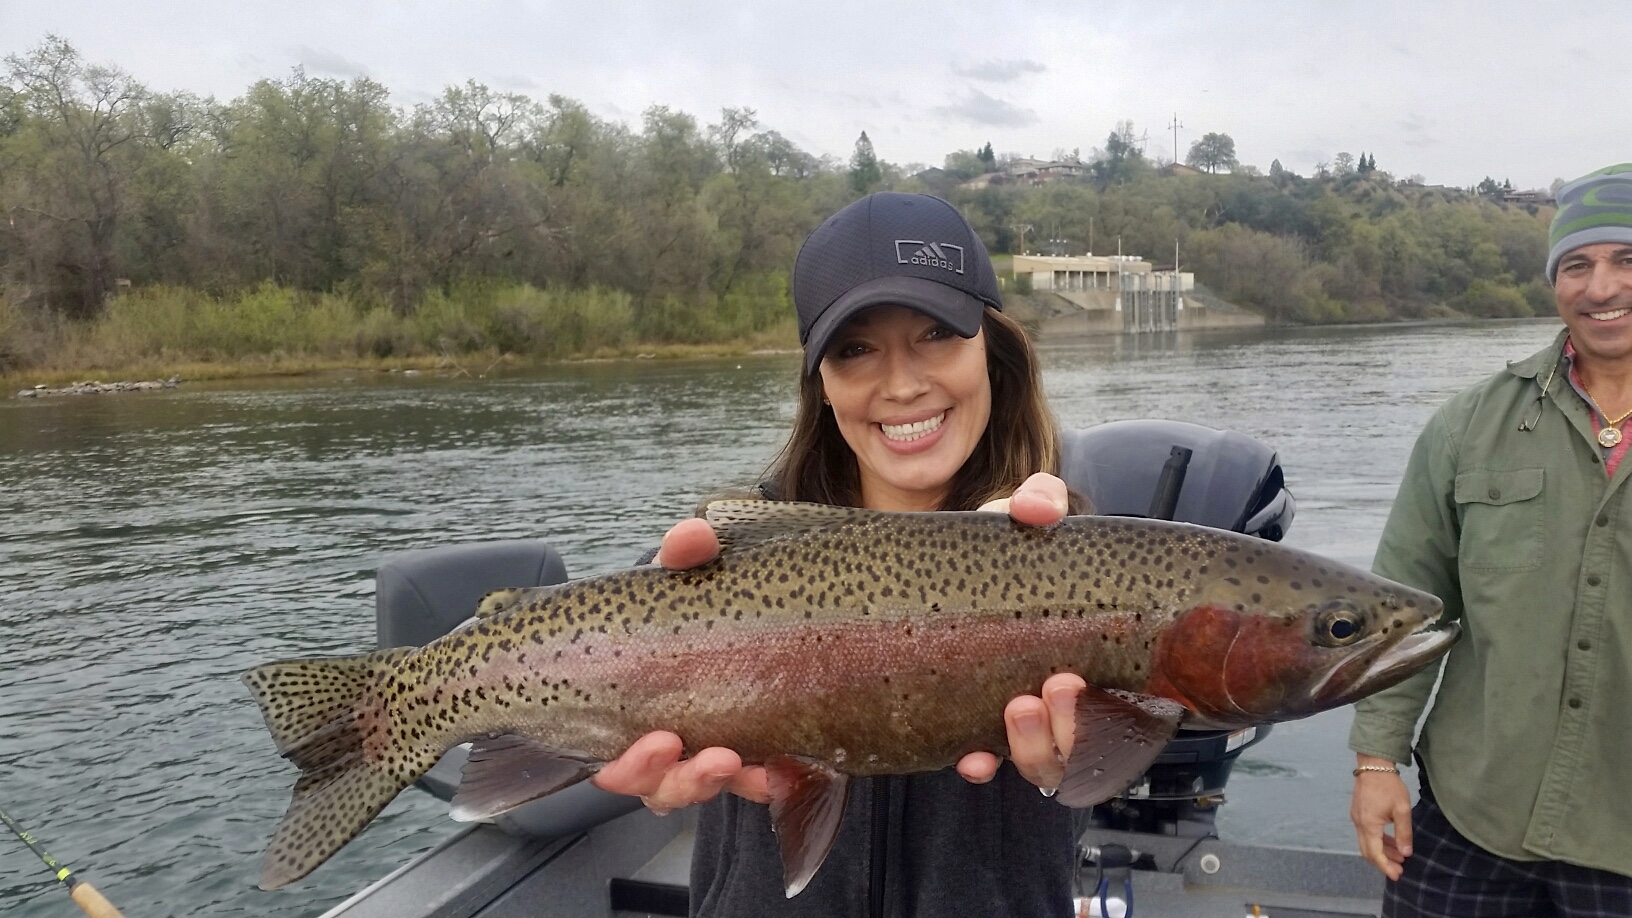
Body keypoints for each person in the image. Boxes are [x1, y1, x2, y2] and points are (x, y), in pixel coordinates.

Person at [591, 191, 1091, 916]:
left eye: (936, 334)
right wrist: (639, 763)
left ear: (995, 350)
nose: (902, 383)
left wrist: (1073, 773)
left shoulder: (1069, 552)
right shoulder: (718, 554)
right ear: (819, 386)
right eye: (854, 349)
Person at [1349, 164, 1632, 916]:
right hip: (1473, 814)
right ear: (1554, 280)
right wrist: (1377, 760)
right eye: (1578, 264)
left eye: (1627, 260)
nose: (1601, 288)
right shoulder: (1468, 426)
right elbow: (1403, 607)